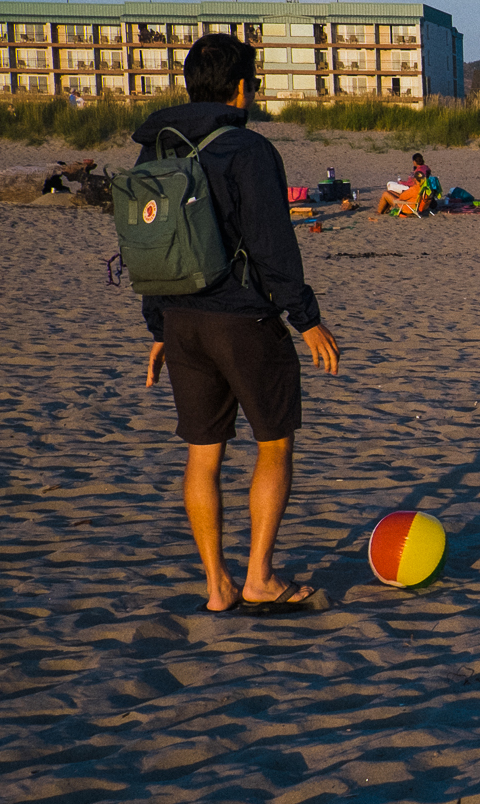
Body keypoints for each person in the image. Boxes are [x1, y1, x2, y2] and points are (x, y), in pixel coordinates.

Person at [136, 33, 341, 614]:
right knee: (274, 445)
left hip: (180, 319)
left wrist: (158, 327)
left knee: (203, 455)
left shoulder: (155, 150)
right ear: (243, 86)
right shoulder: (247, 149)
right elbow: (274, 245)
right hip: (242, 320)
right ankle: (259, 578)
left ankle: (216, 587)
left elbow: (148, 245)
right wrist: (306, 319)